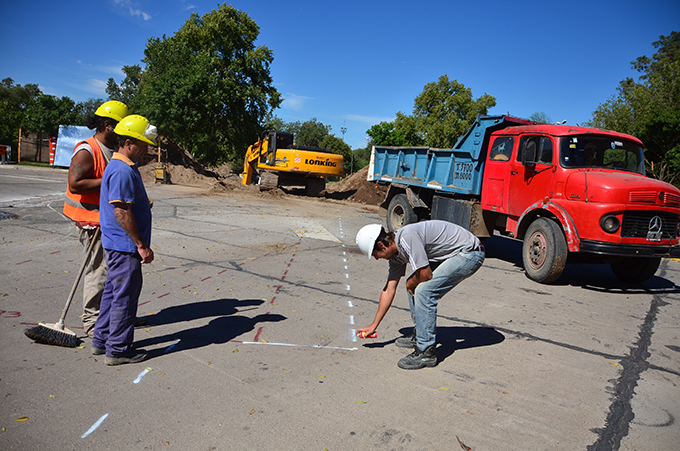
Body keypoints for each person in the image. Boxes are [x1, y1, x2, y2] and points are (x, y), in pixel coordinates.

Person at [355, 220, 485, 370]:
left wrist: (411, 283)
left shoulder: (407, 238)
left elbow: (425, 274)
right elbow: (389, 289)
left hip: (470, 252)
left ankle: (426, 352)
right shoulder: (396, 255)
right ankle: (421, 334)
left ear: (381, 245)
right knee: (414, 284)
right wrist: (374, 325)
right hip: (452, 253)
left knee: (423, 290)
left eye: (375, 254)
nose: (377, 259)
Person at [92, 114, 157, 365]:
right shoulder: (121, 170)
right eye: (143, 145)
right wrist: (141, 245)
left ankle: (102, 339)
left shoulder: (123, 167)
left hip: (118, 244)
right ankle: (118, 349)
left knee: (113, 292)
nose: (146, 150)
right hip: (125, 246)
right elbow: (121, 211)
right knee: (125, 296)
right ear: (128, 142)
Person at [63, 100, 128, 337]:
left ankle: (109, 316)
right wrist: (111, 180)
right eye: (121, 128)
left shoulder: (113, 149)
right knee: (98, 271)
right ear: (108, 125)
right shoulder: (87, 150)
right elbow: (75, 183)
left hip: (108, 220)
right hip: (91, 221)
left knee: (113, 270)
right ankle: (92, 324)